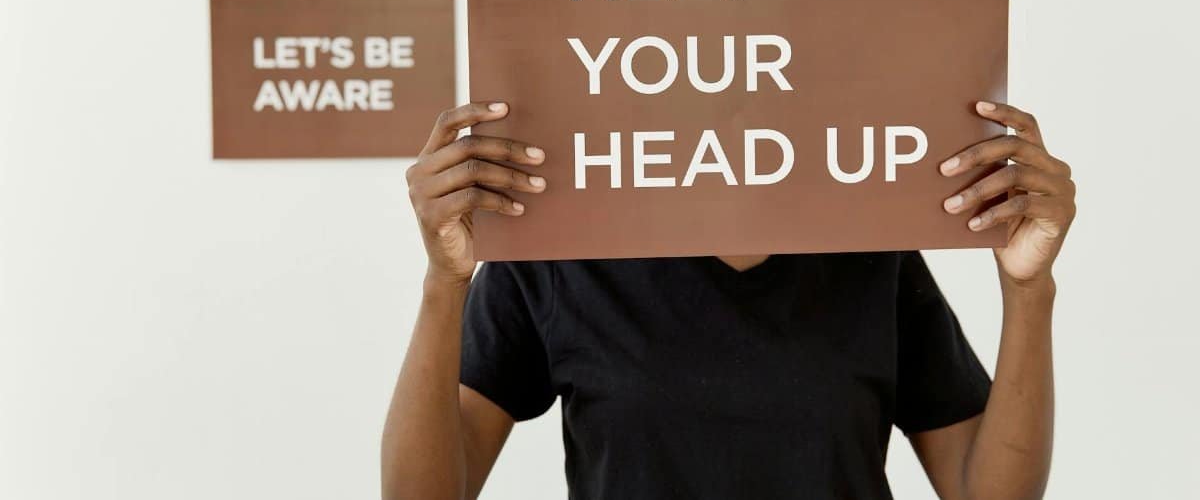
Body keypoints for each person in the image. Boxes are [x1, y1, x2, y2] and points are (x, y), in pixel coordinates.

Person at [381, 100, 1074, 500]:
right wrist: (444, 281)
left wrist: (1028, 289)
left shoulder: (867, 247)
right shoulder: (568, 246)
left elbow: (987, 492)